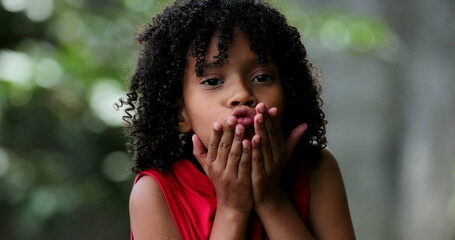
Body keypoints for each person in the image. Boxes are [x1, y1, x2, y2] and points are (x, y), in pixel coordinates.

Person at [120, 0, 356, 239]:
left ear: (289, 92)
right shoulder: (156, 193)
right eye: (212, 81)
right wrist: (232, 208)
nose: (242, 94)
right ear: (180, 112)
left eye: (262, 77)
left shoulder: (317, 170)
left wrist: (270, 199)